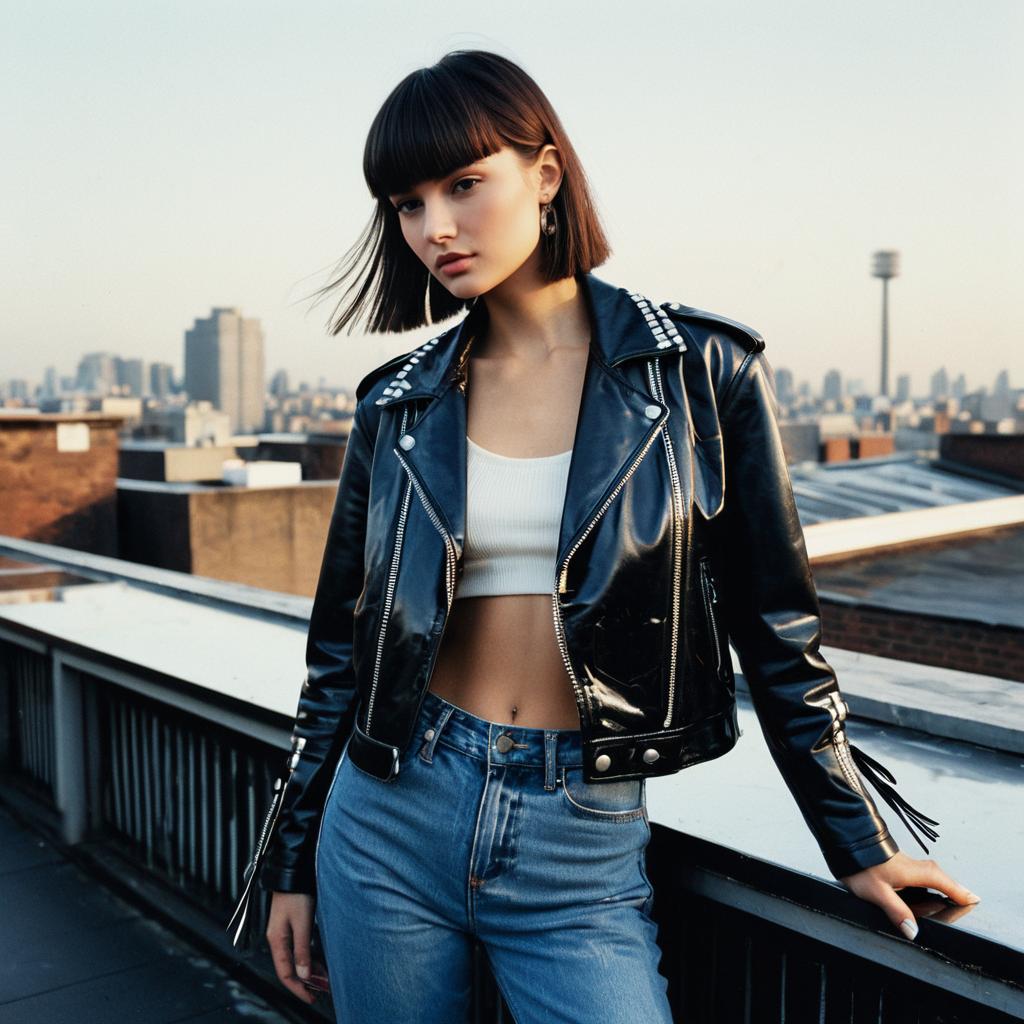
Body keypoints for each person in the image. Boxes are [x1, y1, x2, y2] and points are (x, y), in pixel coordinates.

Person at [227, 48, 979, 1023]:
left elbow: (778, 631)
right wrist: (290, 862)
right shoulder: (398, 404)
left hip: (576, 825)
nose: (435, 227)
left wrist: (856, 840)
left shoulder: (701, 372)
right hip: (389, 810)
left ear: (544, 175)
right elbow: (340, 650)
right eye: (407, 203)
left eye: (462, 184)